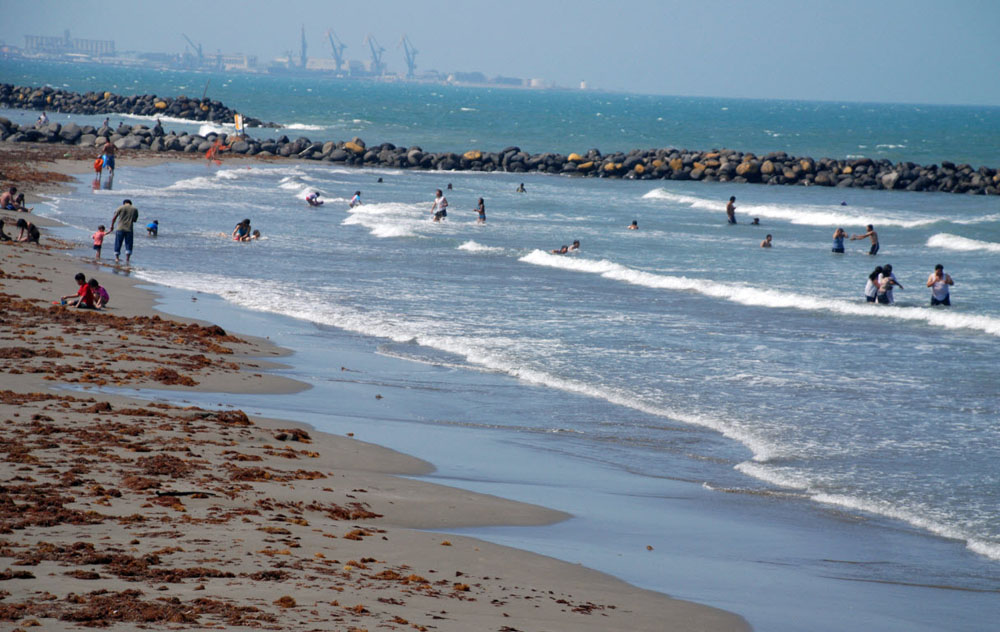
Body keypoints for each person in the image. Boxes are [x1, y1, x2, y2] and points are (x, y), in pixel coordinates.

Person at [110, 199, 139, 264]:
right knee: (128, 244)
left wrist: (112, 226)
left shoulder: (120, 207)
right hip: (129, 229)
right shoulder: (134, 209)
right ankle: (127, 259)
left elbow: (114, 218)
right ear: (130, 203)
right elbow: (135, 220)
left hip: (120, 228)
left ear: (124, 203)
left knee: (118, 242)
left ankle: (117, 258)